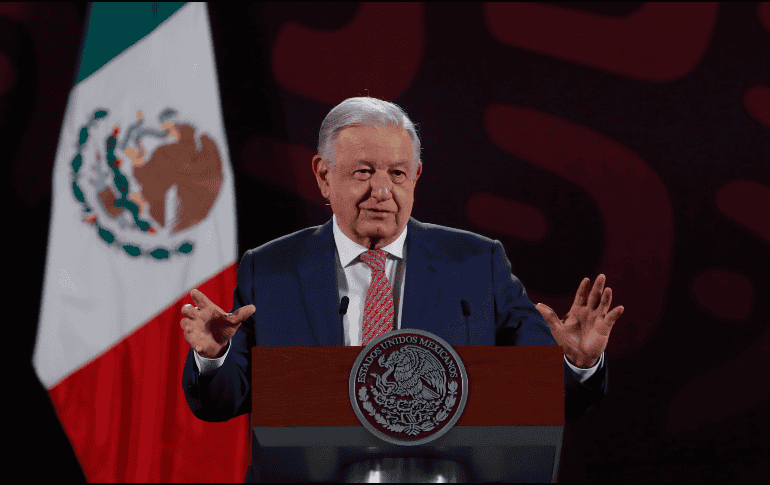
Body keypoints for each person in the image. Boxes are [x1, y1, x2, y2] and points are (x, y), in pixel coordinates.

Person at [180, 97, 624, 482]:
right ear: (323, 175)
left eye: (397, 173)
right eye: (363, 172)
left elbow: (541, 391)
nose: (381, 191)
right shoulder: (273, 269)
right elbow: (221, 401)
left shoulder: (475, 264)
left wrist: (575, 362)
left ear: (416, 177)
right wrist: (213, 356)